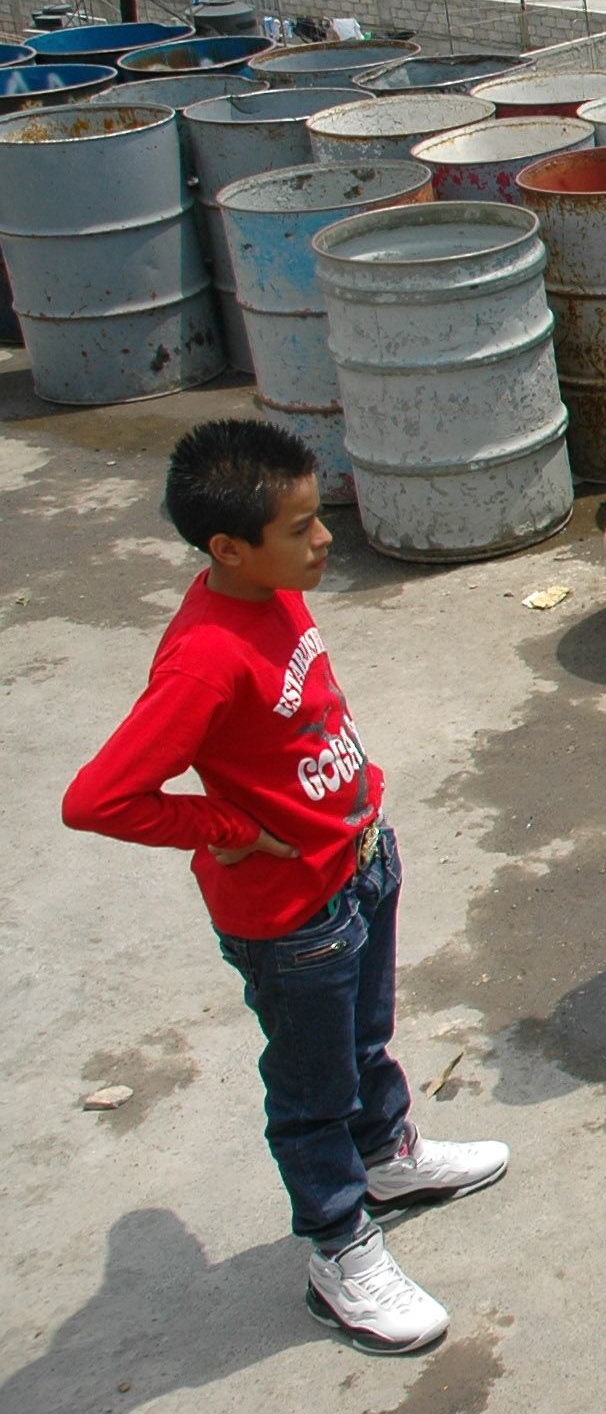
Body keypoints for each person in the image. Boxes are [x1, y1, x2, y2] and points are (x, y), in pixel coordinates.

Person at [62, 419, 511, 1357]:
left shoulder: (275, 593)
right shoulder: (202, 657)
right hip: (291, 917)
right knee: (310, 1089)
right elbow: (99, 797)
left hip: (357, 864)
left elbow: (300, 716)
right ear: (229, 547)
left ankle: (388, 1155)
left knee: (365, 1040)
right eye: (303, 528)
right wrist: (225, 827)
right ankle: (340, 1249)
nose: (324, 542)